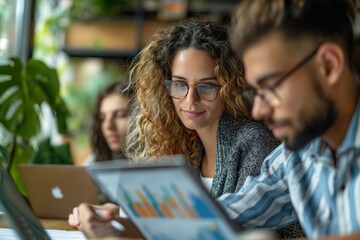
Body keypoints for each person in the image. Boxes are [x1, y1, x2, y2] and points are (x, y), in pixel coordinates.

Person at [68, 18, 304, 238]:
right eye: (180, 85)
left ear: (230, 86)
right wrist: (119, 214)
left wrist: (129, 223)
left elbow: (217, 230)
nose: (190, 100)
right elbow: (169, 220)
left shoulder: (252, 142)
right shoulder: (181, 141)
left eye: (207, 86)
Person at [218, 0, 360, 239]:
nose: (258, 111)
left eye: (270, 87)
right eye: (256, 93)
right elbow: (234, 210)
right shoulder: (299, 152)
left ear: (328, 65)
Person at [84, 79, 134, 165]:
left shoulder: (156, 163)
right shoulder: (92, 164)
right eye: (102, 118)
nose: (108, 126)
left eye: (120, 115)